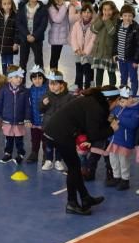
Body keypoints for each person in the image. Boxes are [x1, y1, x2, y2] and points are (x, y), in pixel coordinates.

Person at [43, 86, 121, 215]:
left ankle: (85, 198)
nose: (117, 104)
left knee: (75, 166)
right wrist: (111, 129)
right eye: (117, 100)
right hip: (60, 134)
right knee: (74, 169)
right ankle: (71, 203)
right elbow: (94, 134)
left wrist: (106, 124)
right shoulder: (97, 107)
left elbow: (90, 125)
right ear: (110, 100)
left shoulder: (94, 101)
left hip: (57, 130)